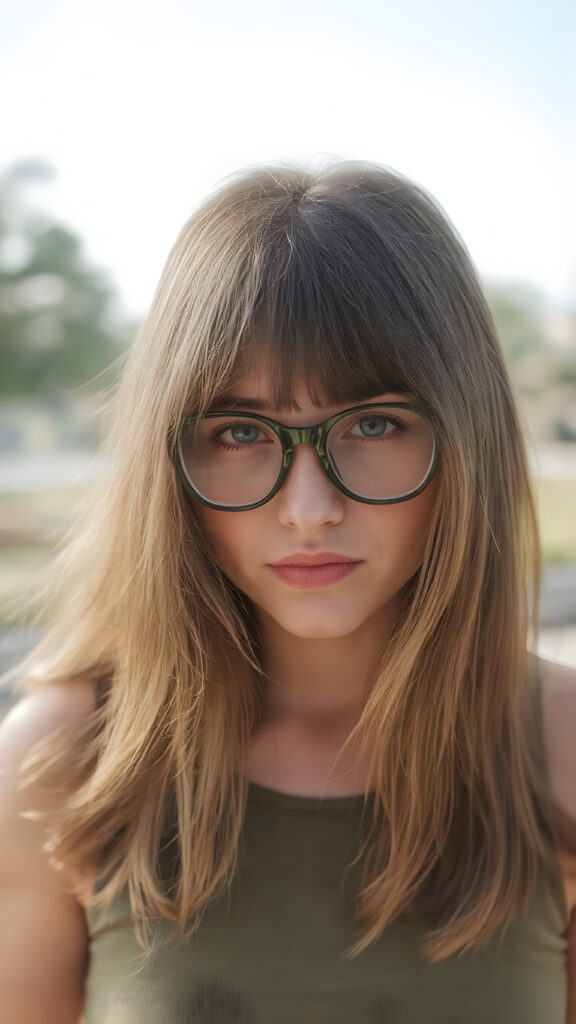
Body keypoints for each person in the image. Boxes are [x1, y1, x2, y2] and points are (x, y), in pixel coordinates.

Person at [0, 161, 574, 1024]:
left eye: (374, 423)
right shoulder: (62, 765)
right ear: (170, 460)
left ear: (468, 438)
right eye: (238, 432)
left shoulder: (562, 746)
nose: (309, 510)